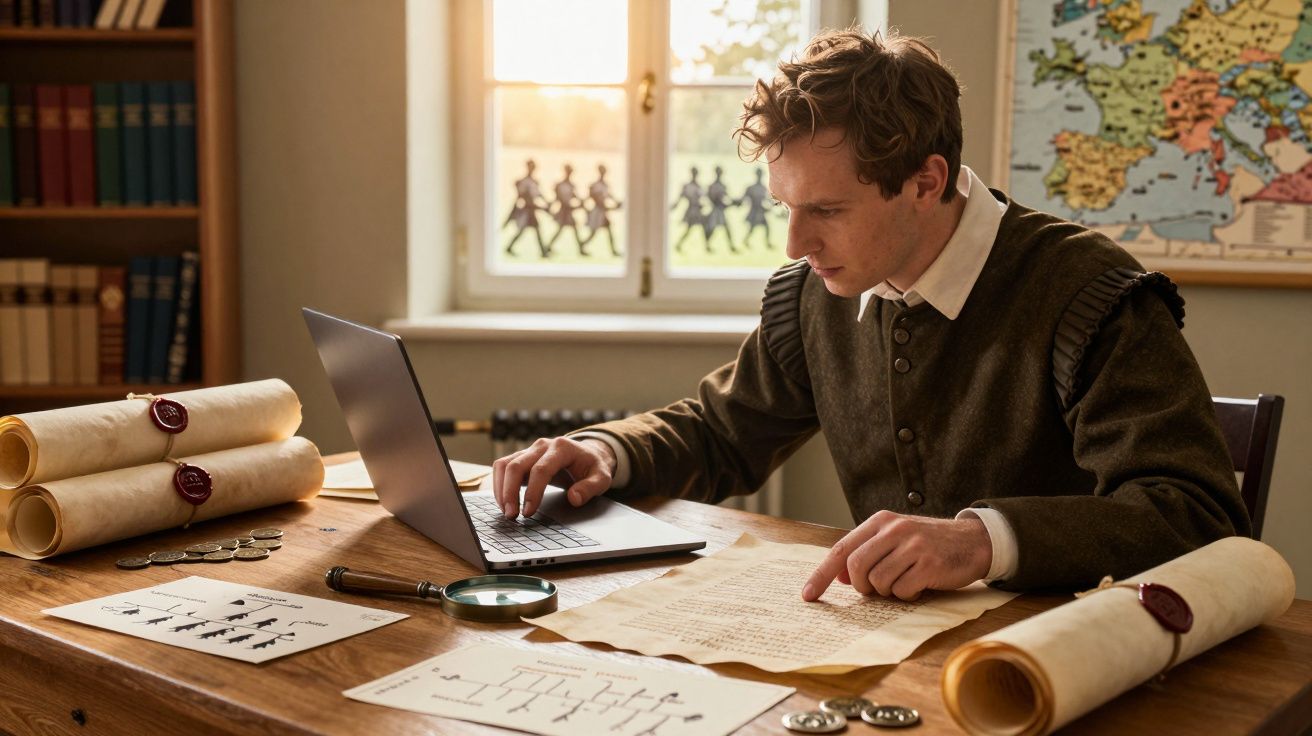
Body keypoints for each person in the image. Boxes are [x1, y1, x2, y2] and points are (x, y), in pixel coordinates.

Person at [491, 28, 1247, 601]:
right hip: (889, 661)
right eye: (785, 206)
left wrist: (982, 542)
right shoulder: (818, 290)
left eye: (826, 209)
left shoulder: (1090, 293)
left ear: (926, 180)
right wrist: (604, 452)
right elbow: (724, 432)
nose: (795, 242)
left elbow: (1196, 513)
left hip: (1069, 664)